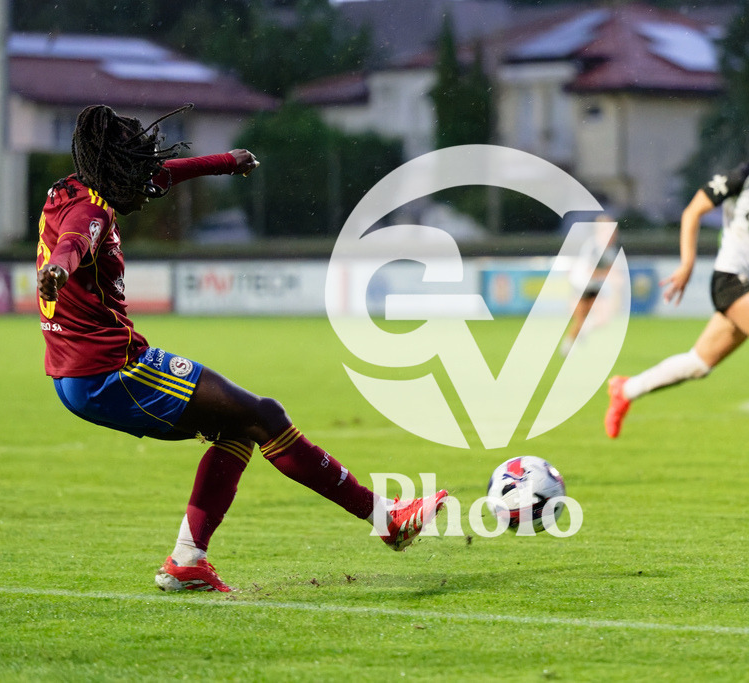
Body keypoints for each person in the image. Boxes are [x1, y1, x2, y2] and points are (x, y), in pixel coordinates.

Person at [36, 104, 446, 593]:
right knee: (265, 415)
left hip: (80, 374)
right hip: (110, 372)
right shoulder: (90, 211)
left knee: (240, 429)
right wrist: (59, 270)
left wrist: (224, 162)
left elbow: (159, 176)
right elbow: (76, 242)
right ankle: (386, 519)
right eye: (140, 169)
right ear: (117, 171)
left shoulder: (76, 188)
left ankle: (188, 560)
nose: (148, 186)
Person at [604, 99, 749, 466]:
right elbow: (693, 210)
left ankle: (625, 390)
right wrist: (688, 262)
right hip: (731, 278)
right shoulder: (747, 175)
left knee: (698, 363)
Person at [559, 213, 620, 357]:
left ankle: (576, 338)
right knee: (581, 318)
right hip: (582, 285)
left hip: (593, 285)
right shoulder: (594, 246)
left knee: (601, 318)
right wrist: (609, 275)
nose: (614, 234)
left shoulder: (610, 249)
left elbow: (607, 270)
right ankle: (569, 346)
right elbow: (591, 271)